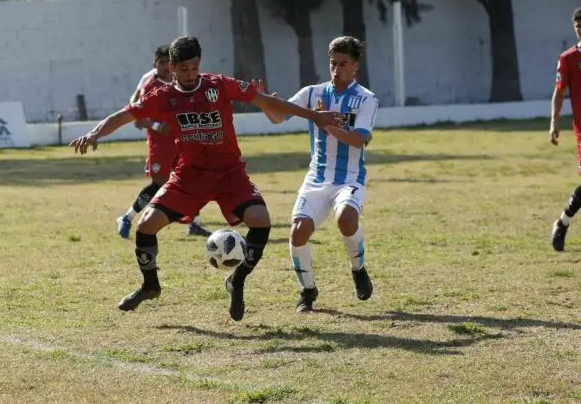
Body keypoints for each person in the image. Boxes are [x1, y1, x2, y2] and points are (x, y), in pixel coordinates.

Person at [70, 35, 343, 321]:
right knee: (146, 226)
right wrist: (95, 133)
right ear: (171, 68)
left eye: (194, 67)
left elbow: (265, 101)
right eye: (183, 69)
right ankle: (150, 285)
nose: (190, 75)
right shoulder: (163, 96)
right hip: (189, 176)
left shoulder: (218, 85)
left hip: (229, 174)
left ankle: (237, 281)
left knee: (261, 220)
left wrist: (315, 116)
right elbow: (124, 115)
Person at [258, 36, 378, 313]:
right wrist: (265, 103)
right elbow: (278, 117)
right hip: (316, 178)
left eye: (343, 64)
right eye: (333, 63)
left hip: (349, 178)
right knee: (298, 233)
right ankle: (308, 291)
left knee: (347, 219)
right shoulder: (312, 93)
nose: (336, 69)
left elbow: (359, 140)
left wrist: (324, 124)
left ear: (355, 67)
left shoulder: (366, 99)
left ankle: (358, 269)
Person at [117, 45, 211, 239]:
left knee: (190, 178)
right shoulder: (150, 86)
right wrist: (159, 127)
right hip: (160, 144)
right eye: (159, 63)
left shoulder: (180, 82)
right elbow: (138, 120)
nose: (163, 67)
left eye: (165, 63)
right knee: (158, 184)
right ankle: (127, 217)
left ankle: (194, 223)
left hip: (181, 140)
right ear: (155, 64)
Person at [550, 7, 581, 251]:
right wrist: (554, 123)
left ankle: (562, 222)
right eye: (577, 26)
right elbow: (559, 93)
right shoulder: (568, 59)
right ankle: (563, 222)